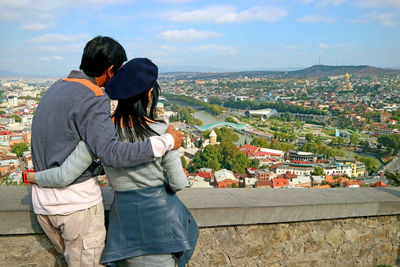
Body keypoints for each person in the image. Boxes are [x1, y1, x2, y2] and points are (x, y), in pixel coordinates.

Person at [27, 58, 198, 267]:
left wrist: (34, 177)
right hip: (160, 229)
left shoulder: (100, 133)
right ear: (150, 95)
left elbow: (65, 175)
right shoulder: (163, 134)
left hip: (123, 229)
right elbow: (179, 183)